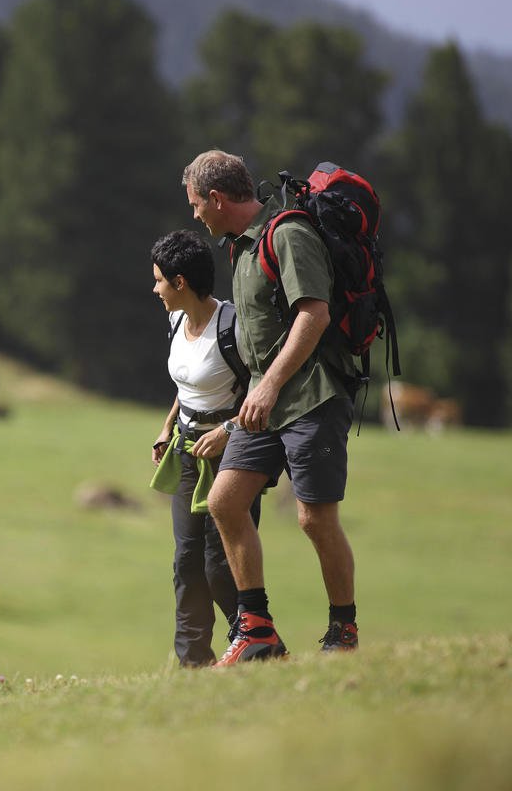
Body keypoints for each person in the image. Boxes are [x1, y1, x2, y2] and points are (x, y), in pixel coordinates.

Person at [181, 149, 360, 665]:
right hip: (264, 403)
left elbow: (315, 315)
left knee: (313, 519)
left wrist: (268, 386)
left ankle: (342, 632)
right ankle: (257, 631)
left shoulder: (287, 235)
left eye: (196, 204)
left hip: (311, 395)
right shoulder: (240, 249)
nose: (195, 214)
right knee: (224, 502)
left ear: (216, 198)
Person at [149, 229, 261, 668]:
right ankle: (192, 664)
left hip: (232, 453)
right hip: (187, 449)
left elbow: (265, 391)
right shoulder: (176, 320)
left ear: (180, 283)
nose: (154, 288)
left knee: (220, 565)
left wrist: (229, 431)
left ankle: (253, 646)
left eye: (159, 280)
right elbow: (186, 386)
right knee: (185, 563)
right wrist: (166, 428)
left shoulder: (233, 326)